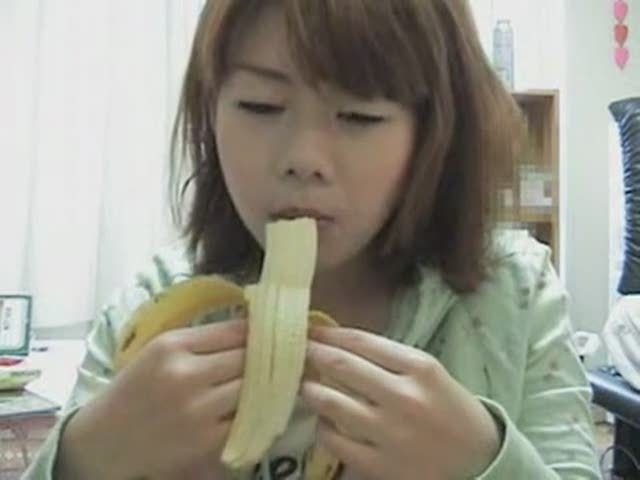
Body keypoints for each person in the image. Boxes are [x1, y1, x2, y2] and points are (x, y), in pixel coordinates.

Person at [24, 1, 601, 479]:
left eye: (359, 116)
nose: (303, 159)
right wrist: (84, 459)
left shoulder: (516, 298)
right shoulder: (155, 309)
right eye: (260, 105)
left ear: (433, 134)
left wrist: (486, 461)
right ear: (210, 113)